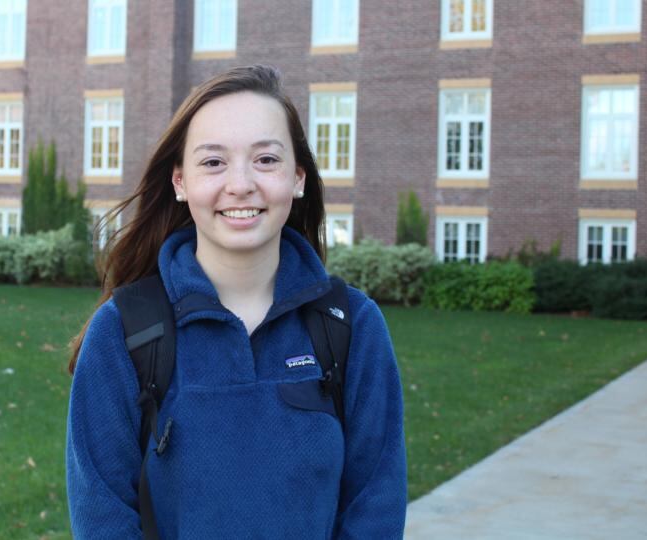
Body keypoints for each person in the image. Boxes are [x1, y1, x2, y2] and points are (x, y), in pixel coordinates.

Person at [66, 65, 406, 539]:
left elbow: (376, 507)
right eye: (214, 162)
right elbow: (102, 518)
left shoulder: (352, 327)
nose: (241, 183)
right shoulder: (124, 332)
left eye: (266, 160)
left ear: (298, 177)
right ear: (180, 182)